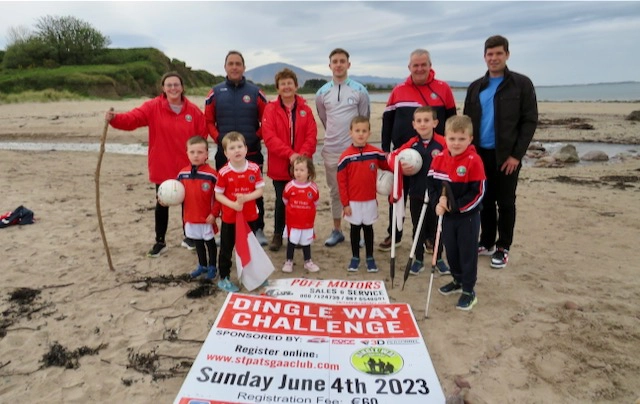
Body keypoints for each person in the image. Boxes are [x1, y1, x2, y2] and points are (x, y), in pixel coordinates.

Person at [105, 72, 207, 258]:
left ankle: (189, 237)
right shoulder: (153, 107)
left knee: (189, 202)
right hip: (162, 164)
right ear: (163, 88)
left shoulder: (193, 111)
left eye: (176, 85)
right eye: (169, 85)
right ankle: (160, 241)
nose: (173, 88)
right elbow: (132, 119)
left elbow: (201, 136)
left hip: (187, 166)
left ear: (182, 87)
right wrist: (115, 119)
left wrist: (200, 159)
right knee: (163, 203)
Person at [463, 35, 538, 269]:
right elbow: (466, 122)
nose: (494, 58)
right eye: (490, 54)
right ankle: (487, 242)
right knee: (483, 201)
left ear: (507, 54)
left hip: (506, 156)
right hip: (479, 154)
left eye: (498, 53)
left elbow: (529, 121)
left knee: (505, 203)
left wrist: (516, 155)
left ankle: (503, 246)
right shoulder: (476, 87)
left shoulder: (521, 84)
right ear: (484, 56)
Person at [380, 49, 457, 251]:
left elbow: (452, 121)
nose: (420, 68)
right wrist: (385, 149)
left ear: (430, 66)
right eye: (416, 65)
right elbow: (387, 121)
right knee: (396, 196)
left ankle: (430, 237)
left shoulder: (443, 89)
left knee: (428, 196)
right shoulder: (398, 90)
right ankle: (394, 235)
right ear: (409, 67)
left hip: (433, 156)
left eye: (424, 64)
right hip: (403, 154)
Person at [205, 50, 269, 246]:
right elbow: (208, 121)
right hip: (225, 157)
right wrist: (220, 140)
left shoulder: (255, 92)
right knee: (225, 194)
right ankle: (227, 230)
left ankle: (257, 229)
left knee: (255, 193)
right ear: (225, 67)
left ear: (243, 67)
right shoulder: (215, 92)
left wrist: (255, 138)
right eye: (230, 63)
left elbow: (266, 120)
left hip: (252, 154)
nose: (234, 67)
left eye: (238, 64)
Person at [426, 115, 486, 311]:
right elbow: (432, 184)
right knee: (451, 251)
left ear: (470, 139)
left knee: (467, 253)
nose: (456, 143)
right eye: (452, 139)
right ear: (445, 138)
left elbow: (478, 192)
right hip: (447, 217)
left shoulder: (473, 160)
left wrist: (455, 206)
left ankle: (469, 290)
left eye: (462, 139)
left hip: (467, 217)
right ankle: (457, 280)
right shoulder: (439, 159)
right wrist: (437, 203)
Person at [316, 48, 370, 247]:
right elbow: (324, 119)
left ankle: (361, 231)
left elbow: (363, 119)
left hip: (355, 151)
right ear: (329, 65)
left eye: (342, 61)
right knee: (335, 191)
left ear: (349, 64)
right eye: (334, 61)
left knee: (359, 191)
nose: (338, 64)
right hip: (331, 150)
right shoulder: (322, 93)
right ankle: (337, 230)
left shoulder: (360, 90)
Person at [262, 68, 317, 252]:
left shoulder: (305, 110)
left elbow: (311, 135)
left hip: (302, 166)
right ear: (277, 87)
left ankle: (300, 235)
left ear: (296, 86)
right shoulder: (270, 109)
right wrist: (290, 155)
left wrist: (300, 158)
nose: (286, 86)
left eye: (289, 83)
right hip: (280, 165)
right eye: (283, 83)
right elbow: (269, 137)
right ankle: (278, 234)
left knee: (301, 201)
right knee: (281, 201)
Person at [390, 106, 449, 276]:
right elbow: (394, 157)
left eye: (427, 120)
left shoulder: (442, 143)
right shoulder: (412, 144)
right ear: (414, 124)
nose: (423, 124)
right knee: (418, 227)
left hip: (437, 194)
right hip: (416, 192)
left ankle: (438, 259)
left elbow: (452, 160)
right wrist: (401, 166)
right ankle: (418, 259)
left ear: (435, 123)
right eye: (419, 121)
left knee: (438, 228)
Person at [337, 116, 391, 272]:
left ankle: (370, 257)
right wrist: (345, 203)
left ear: (369, 133)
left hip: (369, 200)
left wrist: (400, 165)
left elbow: (388, 165)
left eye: (364, 131)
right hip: (353, 202)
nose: (360, 134)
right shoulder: (345, 157)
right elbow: (342, 182)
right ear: (351, 133)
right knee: (354, 229)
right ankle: (355, 257)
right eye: (357, 131)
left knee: (368, 229)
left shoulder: (375, 152)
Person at [214, 132, 265, 292]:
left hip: (249, 215)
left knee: (251, 246)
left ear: (246, 148)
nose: (237, 150)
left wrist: (246, 197)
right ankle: (225, 277)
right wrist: (233, 205)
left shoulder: (254, 168)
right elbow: (218, 194)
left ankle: (253, 276)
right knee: (227, 247)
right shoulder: (223, 172)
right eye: (232, 148)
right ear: (225, 153)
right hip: (230, 217)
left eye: (239, 147)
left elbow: (260, 191)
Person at [177, 136, 219, 280]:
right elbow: (175, 193)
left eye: (200, 152)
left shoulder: (212, 175)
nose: (196, 155)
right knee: (198, 242)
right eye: (192, 152)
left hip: (206, 217)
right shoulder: (182, 174)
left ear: (207, 154)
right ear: (187, 153)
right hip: (190, 216)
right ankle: (202, 265)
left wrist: (214, 214)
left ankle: (213, 266)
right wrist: (164, 199)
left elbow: (219, 197)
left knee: (210, 243)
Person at [281, 156, 320, 273]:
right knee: (291, 242)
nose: (298, 172)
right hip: (293, 222)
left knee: (306, 243)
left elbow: (315, 202)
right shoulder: (289, 187)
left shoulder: (313, 188)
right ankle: (289, 261)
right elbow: (285, 200)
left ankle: (308, 261)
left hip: (307, 223)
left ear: (309, 172)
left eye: (302, 170)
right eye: (296, 169)